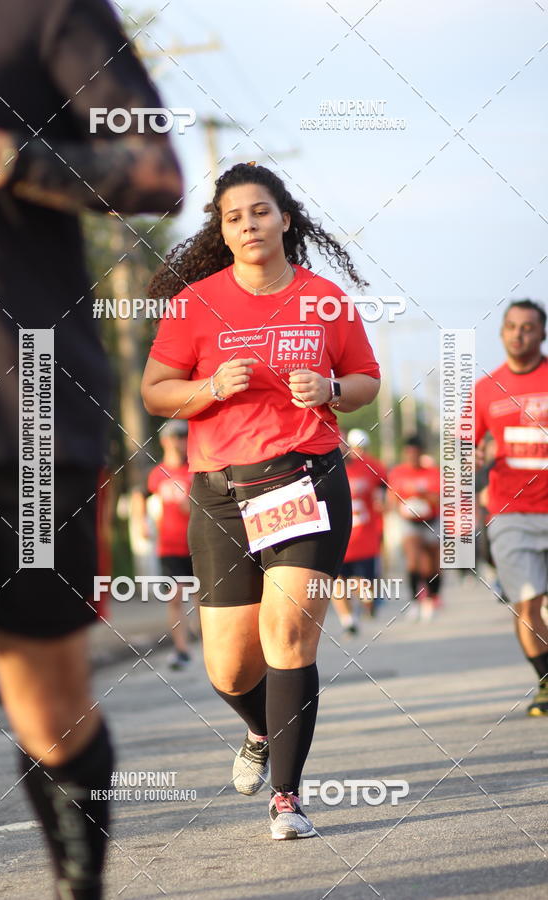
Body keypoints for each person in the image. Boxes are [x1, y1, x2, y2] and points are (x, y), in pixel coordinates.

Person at [0, 1, 183, 897]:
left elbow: (157, 171)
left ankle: (76, 887)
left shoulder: (43, 9)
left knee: (45, 708)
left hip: (22, 405)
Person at [142, 162, 381, 840]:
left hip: (302, 479)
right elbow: (155, 390)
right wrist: (211, 387)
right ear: (222, 230)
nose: (249, 224)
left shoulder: (324, 299)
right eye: (234, 216)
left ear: (285, 218)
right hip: (220, 493)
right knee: (229, 666)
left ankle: (287, 798)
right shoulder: (196, 303)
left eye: (260, 211)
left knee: (288, 636)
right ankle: (258, 731)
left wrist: (332, 389)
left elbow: (367, 379)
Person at [475, 299, 548, 715]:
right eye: (512, 327)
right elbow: (464, 445)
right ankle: (546, 682)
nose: (519, 334)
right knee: (527, 604)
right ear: (502, 333)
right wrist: (472, 461)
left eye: (528, 327)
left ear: (541, 334)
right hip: (511, 512)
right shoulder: (486, 388)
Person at [146, 420, 197, 670]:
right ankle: (181, 649)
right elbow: (142, 496)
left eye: (184, 436)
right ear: (164, 441)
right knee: (175, 598)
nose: (180, 441)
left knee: (203, 597)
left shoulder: (195, 470)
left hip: (197, 543)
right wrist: (140, 523)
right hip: (169, 546)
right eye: (175, 436)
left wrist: (193, 507)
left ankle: (210, 643)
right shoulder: (157, 474)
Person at [332, 429, 387, 634]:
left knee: (363, 584)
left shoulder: (366, 467)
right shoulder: (325, 470)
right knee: (338, 581)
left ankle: (367, 603)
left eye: (342, 442)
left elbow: (384, 485)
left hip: (364, 536)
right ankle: (348, 621)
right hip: (338, 537)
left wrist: (382, 499)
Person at [387, 436, 441, 621]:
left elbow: (438, 498)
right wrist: (401, 506)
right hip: (408, 521)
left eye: (415, 454)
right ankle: (415, 601)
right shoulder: (398, 473)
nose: (412, 457)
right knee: (413, 561)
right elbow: (392, 498)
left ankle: (432, 597)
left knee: (432, 566)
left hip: (431, 520)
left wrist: (421, 496)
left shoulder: (432, 472)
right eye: (408, 454)